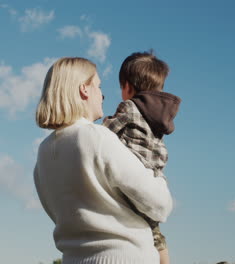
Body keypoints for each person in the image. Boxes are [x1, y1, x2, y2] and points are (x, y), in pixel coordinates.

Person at [34, 57, 173, 264]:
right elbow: (160, 205)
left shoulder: (43, 151)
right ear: (84, 90)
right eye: (98, 86)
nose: (102, 94)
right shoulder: (97, 137)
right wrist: (158, 176)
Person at [103, 51, 181, 264]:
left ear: (127, 87)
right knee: (155, 232)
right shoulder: (159, 116)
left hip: (135, 170)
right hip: (155, 175)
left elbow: (109, 130)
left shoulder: (130, 106)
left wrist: (97, 128)